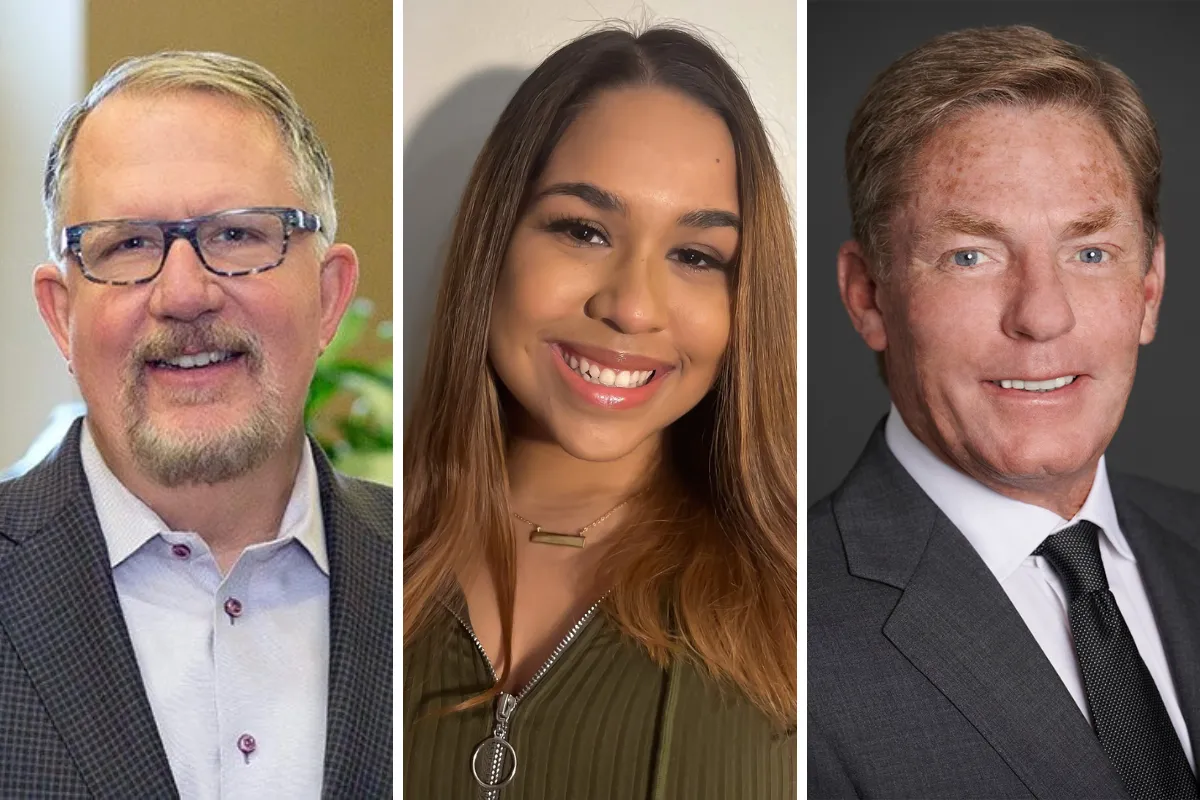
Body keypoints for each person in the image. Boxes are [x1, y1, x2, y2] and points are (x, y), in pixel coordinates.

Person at [403, 25, 796, 799]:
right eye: (583, 231)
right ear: (495, 246)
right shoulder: (365, 567)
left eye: (696, 256)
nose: (632, 306)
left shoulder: (805, 599)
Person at [809, 24, 1200, 800]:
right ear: (868, 295)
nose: (1041, 316)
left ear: (1149, 288)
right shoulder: (793, 631)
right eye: (970, 256)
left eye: (1089, 252)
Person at [0, 51, 391, 797]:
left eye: (239, 236)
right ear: (61, 316)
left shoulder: (448, 578)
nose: (184, 293)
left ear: (330, 296)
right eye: (129, 244)